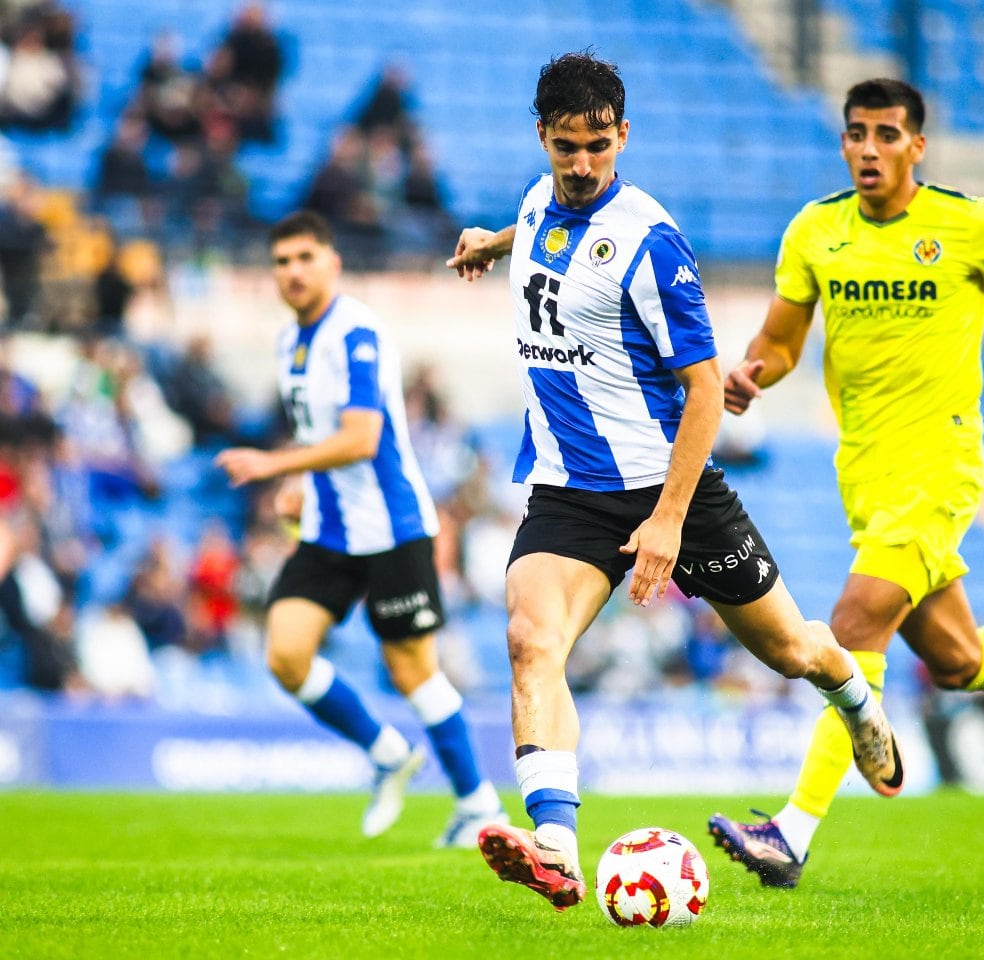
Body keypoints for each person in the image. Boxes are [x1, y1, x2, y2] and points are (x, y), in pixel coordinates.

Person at [445, 51, 904, 912]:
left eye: (598, 147)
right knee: (530, 640)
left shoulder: (653, 242)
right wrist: (492, 242)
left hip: (672, 489)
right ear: (542, 137)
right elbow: (543, 230)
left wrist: (667, 520)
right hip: (567, 489)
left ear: (623, 135)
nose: (582, 166)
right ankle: (554, 845)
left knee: (788, 652)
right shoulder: (540, 198)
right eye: (566, 147)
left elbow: (703, 388)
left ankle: (855, 697)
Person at [708, 78, 984, 889]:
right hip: (866, 476)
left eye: (888, 135)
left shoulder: (968, 225)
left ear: (917, 145)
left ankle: (791, 832)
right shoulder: (817, 231)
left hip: (941, 469)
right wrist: (753, 373)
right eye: (857, 134)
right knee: (956, 661)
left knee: (851, 626)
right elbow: (780, 341)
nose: (870, 149)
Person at [216, 210, 505, 845]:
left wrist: (274, 464)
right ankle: (384, 751)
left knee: (413, 673)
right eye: (282, 261)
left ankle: (480, 806)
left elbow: (361, 437)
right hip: (328, 528)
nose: (293, 271)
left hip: (393, 528)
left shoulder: (356, 334)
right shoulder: (289, 342)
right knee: (286, 655)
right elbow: (322, 437)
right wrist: (300, 482)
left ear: (333, 262)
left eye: (305, 258)